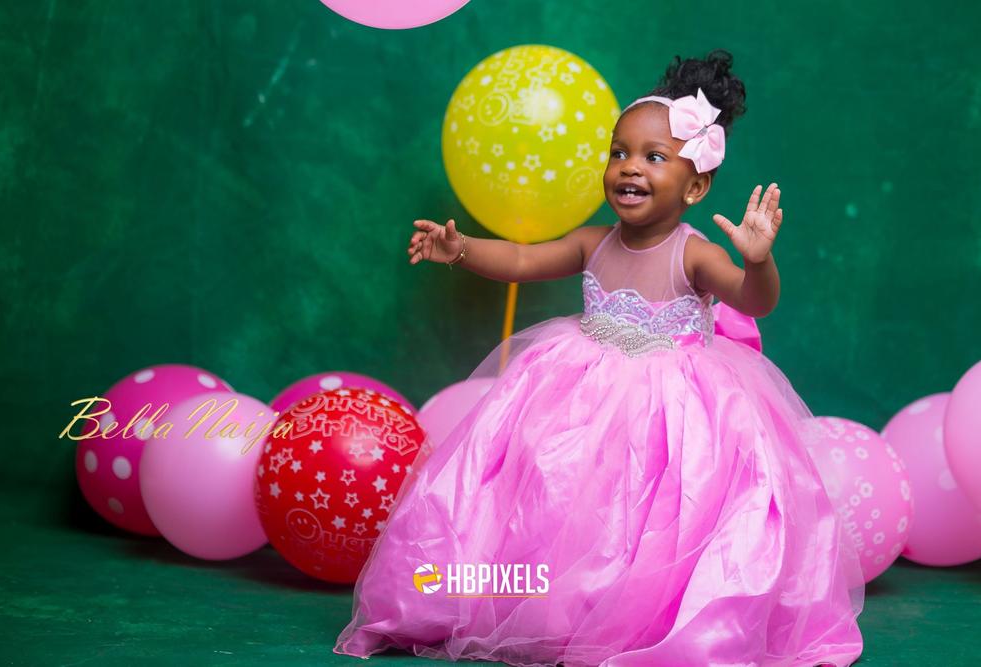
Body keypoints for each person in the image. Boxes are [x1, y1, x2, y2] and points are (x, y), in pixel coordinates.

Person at [333, 49, 865, 667]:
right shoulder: (593, 242)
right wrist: (462, 249)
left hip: (672, 414)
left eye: (654, 157)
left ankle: (641, 620)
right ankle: (541, 608)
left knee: (652, 521)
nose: (629, 167)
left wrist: (757, 259)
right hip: (579, 400)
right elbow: (524, 260)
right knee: (551, 504)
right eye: (618, 153)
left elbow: (755, 300)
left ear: (695, 185)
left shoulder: (693, 255)